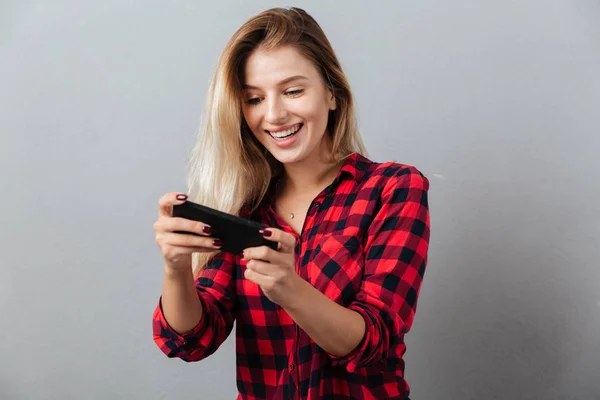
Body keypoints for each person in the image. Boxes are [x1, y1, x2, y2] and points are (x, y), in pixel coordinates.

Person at [152, 6, 430, 400]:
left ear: (331, 93)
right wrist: (175, 267)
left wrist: (290, 289)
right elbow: (191, 340)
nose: (274, 114)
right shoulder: (243, 209)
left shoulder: (392, 189)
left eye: (293, 91)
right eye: (253, 98)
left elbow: (373, 342)